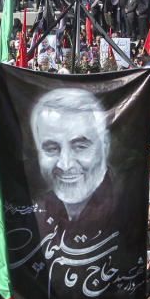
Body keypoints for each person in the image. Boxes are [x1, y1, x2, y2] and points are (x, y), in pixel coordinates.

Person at [30, 87, 110, 222]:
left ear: (105, 146)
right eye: (51, 148)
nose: (65, 165)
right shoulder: (33, 211)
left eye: (80, 147)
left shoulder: (125, 206)